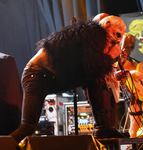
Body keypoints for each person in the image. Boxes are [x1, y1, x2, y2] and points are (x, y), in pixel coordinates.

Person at [9, 14, 127, 143]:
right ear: (107, 25)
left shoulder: (93, 37)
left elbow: (92, 69)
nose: (116, 41)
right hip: (37, 75)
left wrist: (113, 68)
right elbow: (94, 66)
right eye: (117, 35)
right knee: (27, 127)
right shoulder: (94, 33)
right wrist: (110, 56)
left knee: (92, 79)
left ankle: (102, 125)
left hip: (49, 76)